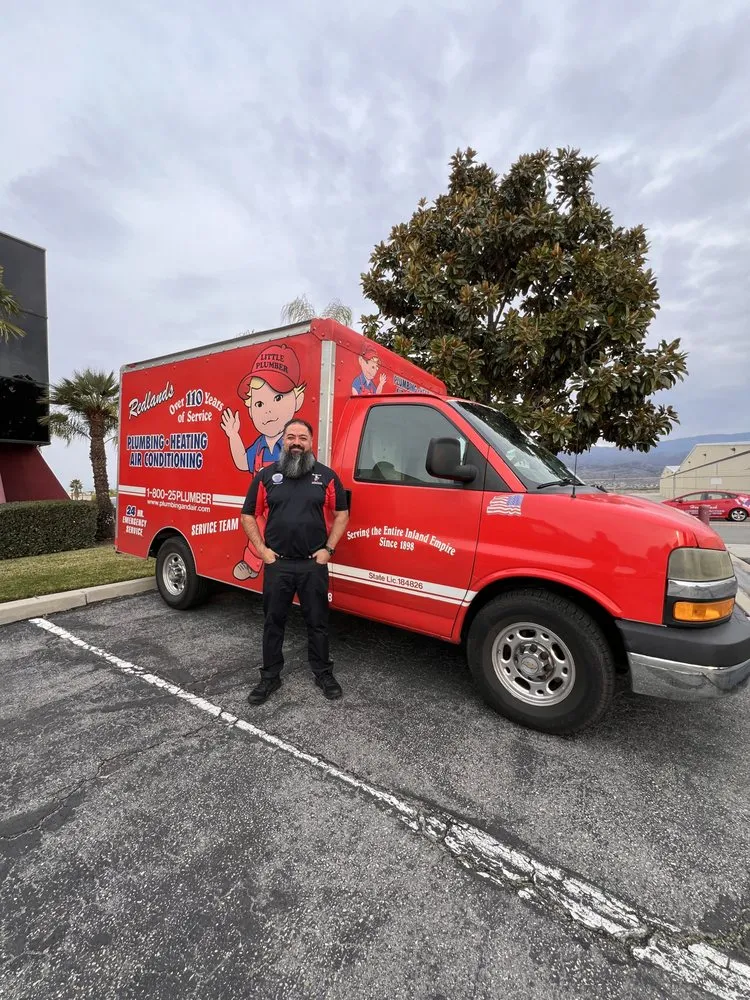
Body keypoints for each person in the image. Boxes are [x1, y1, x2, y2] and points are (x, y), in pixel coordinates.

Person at [241, 418, 350, 704]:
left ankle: (323, 673)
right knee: (273, 622)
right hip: (279, 565)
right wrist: (262, 550)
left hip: (312, 565)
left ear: (311, 443)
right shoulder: (267, 476)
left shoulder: (326, 477)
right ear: (284, 441)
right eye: (291, 437)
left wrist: (329, 549)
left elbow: (342, 514)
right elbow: (248, 514)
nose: (297, 443)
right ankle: (269, 678)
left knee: (317, 622)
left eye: (302, 438)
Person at [220, 344, 306, 580]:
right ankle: (252, 564)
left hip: (282, 504)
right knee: (257, 531)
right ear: (250, 409)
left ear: (297, 399)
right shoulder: (259, 445)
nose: (268, 411)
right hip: (260, 502)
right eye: (259, 404)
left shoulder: (293, 444)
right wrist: (233, 434)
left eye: (278, 397)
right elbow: (241, 462)